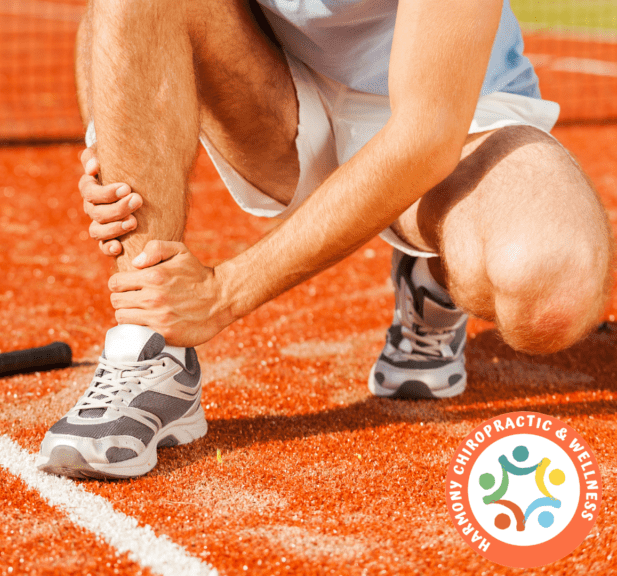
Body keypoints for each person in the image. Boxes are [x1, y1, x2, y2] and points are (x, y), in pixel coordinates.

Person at [35, 0, 614, 480]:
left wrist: (223, 292)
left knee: (549, 287)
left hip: (458, 119)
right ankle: (150, 347)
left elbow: (425, 136)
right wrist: (110, 137)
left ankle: (433, 272)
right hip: (283, 97)